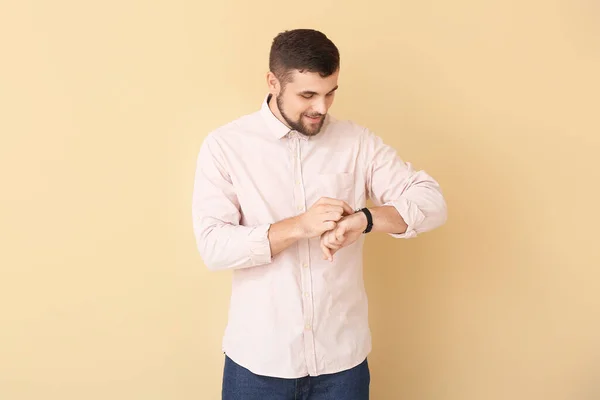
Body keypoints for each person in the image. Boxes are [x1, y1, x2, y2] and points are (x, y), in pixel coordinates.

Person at [192, 28, 447, 400]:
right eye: (307, 95)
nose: (322, 108)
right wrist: (299, 226)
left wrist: (365, 220)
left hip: (342, 365)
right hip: (258, 363)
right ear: (273, 82)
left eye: (330, 93)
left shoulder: (357, 143)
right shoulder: (225, 147)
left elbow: (432, 202)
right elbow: (214, 246)